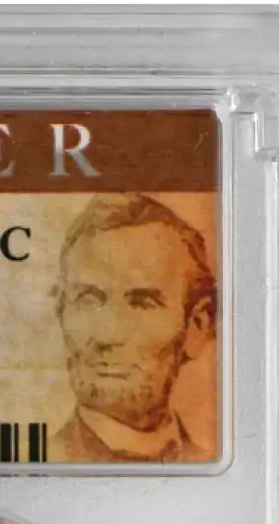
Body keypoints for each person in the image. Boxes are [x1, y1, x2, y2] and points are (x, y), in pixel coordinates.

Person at [53, 192, 216, 462]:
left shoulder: (210, 461)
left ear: (197, 326)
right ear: (61, 310)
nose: (108, 335)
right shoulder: (31, 465)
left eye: (142, 304)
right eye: (87, 300)